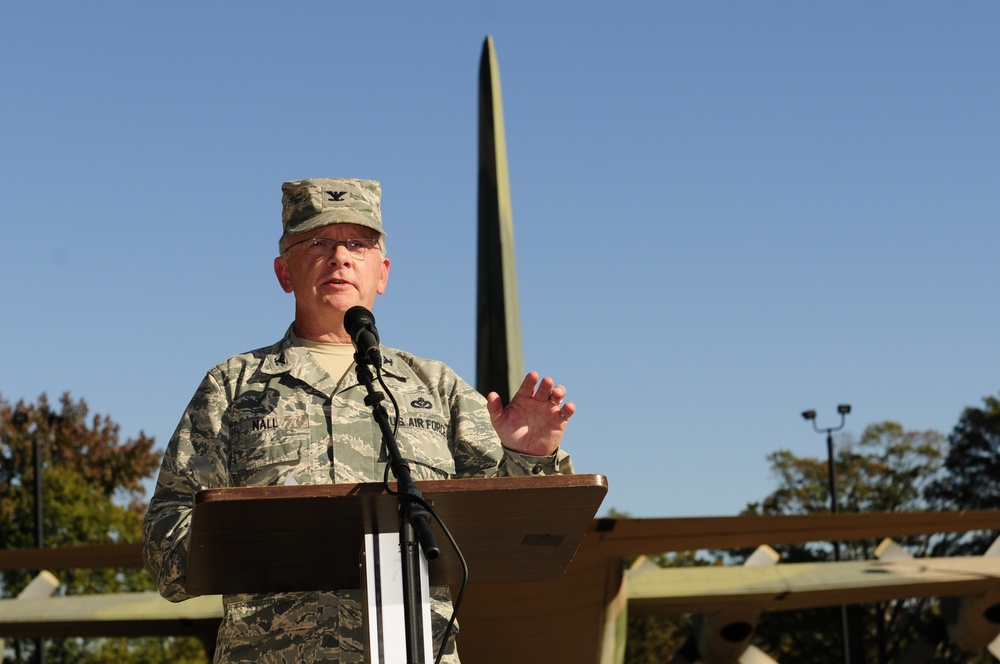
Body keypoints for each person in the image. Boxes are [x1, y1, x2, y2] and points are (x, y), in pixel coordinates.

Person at [142, 177, 575, 663]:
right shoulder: (234, 386)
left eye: (359, 244)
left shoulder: (435, 387)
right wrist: (260, 543)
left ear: (382, 273)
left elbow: (513, 537)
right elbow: (166, 542)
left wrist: (524, 457)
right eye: (318, 243)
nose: (340, 257)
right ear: (284, 272)